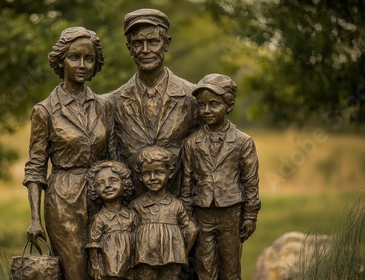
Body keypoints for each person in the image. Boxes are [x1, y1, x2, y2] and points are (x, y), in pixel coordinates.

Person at [23, 27, 115, 280]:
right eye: (74, 57)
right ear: (61, 60)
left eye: (89, 59)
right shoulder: (45, 110)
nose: (82, 64)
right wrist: (34, 218)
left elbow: (114, 158)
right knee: (75, 272)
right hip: (64, 199)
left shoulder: (104, 106)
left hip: (103, 196)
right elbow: (36, 167)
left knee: (108, 270)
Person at [103, 8, 200, 196]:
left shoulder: (193, 97)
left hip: (180, 208)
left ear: (166, 44)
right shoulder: (111, 103)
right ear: (129, 48)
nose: (145, 50)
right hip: (131, 210)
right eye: (138, 43)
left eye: (153, 42)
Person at [180, 74, 261, 280]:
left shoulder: (243, 142)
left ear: (229, 105)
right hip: (202, 214)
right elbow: (187, 184)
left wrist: (250, 215)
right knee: (205, 268)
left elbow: (250, 181)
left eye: (213, 104)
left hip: (231, 213)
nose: (206, 111)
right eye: (201, 105)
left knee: (231, 269)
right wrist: (187, 216)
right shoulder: (191, 143)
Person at [130, 146, 198, 280]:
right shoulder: (137, 206)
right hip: (144, 259)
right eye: (146, 173)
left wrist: (181, 250)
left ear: (170, 173)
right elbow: (128, 232)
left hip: (172, 259)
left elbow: (191, 229)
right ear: (140, 176)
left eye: (159, 172)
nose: (152, 178)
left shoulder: (175, 205)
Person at [86, 160, 137, 280]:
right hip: (110, 265)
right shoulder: (99, 218)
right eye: (100, 183)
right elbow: (94, 244)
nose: (107, 186)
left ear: (125, 183)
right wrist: (95, 266)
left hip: (130, 265)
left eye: (113, 181)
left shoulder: (131, 215)